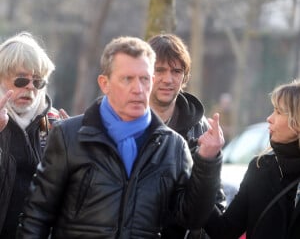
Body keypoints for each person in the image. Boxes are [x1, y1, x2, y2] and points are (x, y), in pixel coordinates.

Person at [17, 36, 224, 239]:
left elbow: (192, 219)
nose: (137, 89)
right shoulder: (68, 135)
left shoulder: (174, 146)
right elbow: (37, 215)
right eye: (127, 79)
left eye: (144, 79)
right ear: (104, 83)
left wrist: (207, 161)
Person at [148, 33, 226, 239]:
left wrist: (209, 159)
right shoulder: (124, 117)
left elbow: (215, 202)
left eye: (176, 71)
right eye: (160, 70)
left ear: (185, 77)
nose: (168, 79)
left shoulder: (200, 128)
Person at [204, 79, 300, 239]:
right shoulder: (260, 168)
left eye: (278, 111)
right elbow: (223, 231)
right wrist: (204, 169)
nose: (269, 118)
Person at [0, 32, 66, 239]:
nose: (30, 87)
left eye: (37, 82)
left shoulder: (51, 123)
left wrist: (73, 150)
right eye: (21, 80)